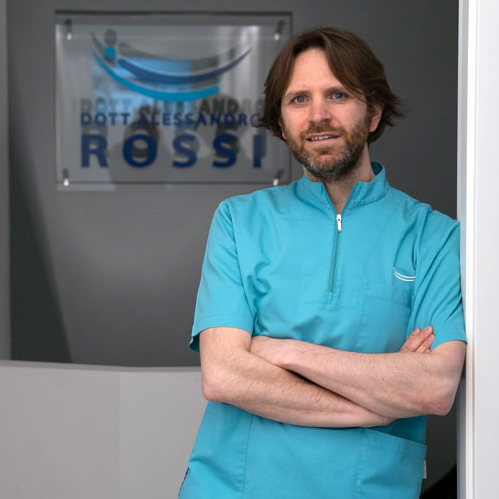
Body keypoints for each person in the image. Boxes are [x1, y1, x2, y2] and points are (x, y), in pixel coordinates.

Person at [178, 27, 466, 499]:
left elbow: (433, 387)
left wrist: (284, 352)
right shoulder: (238, 221)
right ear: (281, 121)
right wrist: (378, 403)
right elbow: (225, 375)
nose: (318, 116)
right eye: (299, 100)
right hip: (232, 486)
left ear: (374, 112)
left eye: (338, 94)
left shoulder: (433, 236)